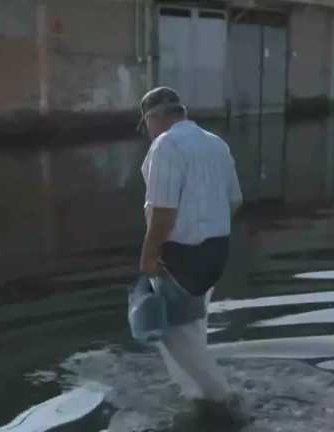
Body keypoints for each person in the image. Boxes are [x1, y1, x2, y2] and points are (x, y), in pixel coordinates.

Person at [137, 87, 243, 407]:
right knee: (192, 326)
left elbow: (163, 211)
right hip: (216, 252)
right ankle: (193, 392)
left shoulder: (166, 145)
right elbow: (235, 200)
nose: (148, 133)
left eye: (146, 124)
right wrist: (207, 224)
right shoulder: (216, 143)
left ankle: (222, 398)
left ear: (154, 117)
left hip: (182, 256)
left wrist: (149, 256)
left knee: (169, 332)